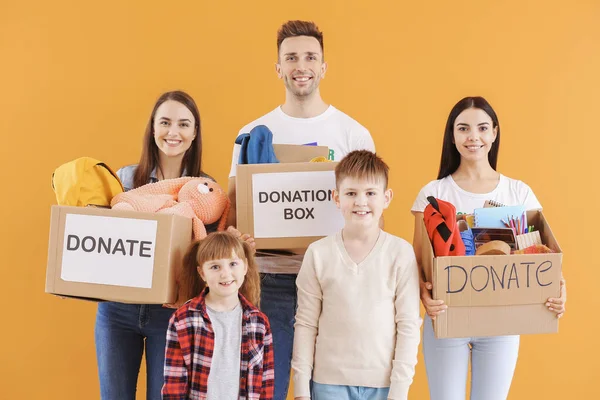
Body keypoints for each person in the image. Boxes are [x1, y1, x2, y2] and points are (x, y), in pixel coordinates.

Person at [227, 20, 375, 400]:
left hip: (333, 283)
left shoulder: (352, 134)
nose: (301, 65)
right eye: (291, 58)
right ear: (278, 68)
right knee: (265, 390)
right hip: (270, 281)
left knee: (328, 391)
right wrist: (235, 236)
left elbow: (370, 216)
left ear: (324, 66)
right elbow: (232, 211)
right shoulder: (253, 132)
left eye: (310, 57)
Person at [411, 96, 567, 400]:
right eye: (464, 128)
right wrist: (424, 294)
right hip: (447, 319)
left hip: (502, 325)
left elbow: (542, 257)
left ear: (494, 133)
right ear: (452, 135)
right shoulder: (434, 193)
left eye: (483, 128)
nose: (474, 137)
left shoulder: (518, 192)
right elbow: (417, 262)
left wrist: (561, 289)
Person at [95, 90, 218, 400]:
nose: (173, 132)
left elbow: (210, 254)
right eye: (164, 122)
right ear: (152, 129)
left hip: (172, 312)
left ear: (194, 133)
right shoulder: (126, 179)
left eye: (183, 124)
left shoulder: (206, 190)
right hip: (117, 311)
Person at [292, 150, 421, 400]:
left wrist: (399, 391)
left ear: (386, 198)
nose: (361, 202)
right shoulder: (318, 254)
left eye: (370, 193)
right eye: (351, 193)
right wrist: (300, 390)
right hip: (328, 384)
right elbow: (306, 324)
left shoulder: (400, 253)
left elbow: (408, 325)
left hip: (385, 386)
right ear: (337, 198)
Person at [162, 231, 274, 399]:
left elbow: (266, 383)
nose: (225, 273)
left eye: (233, 264)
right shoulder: (183, 320)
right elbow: (174, 385)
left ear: (245, 266)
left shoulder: (259, 323)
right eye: (215, 267)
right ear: (202, 273)